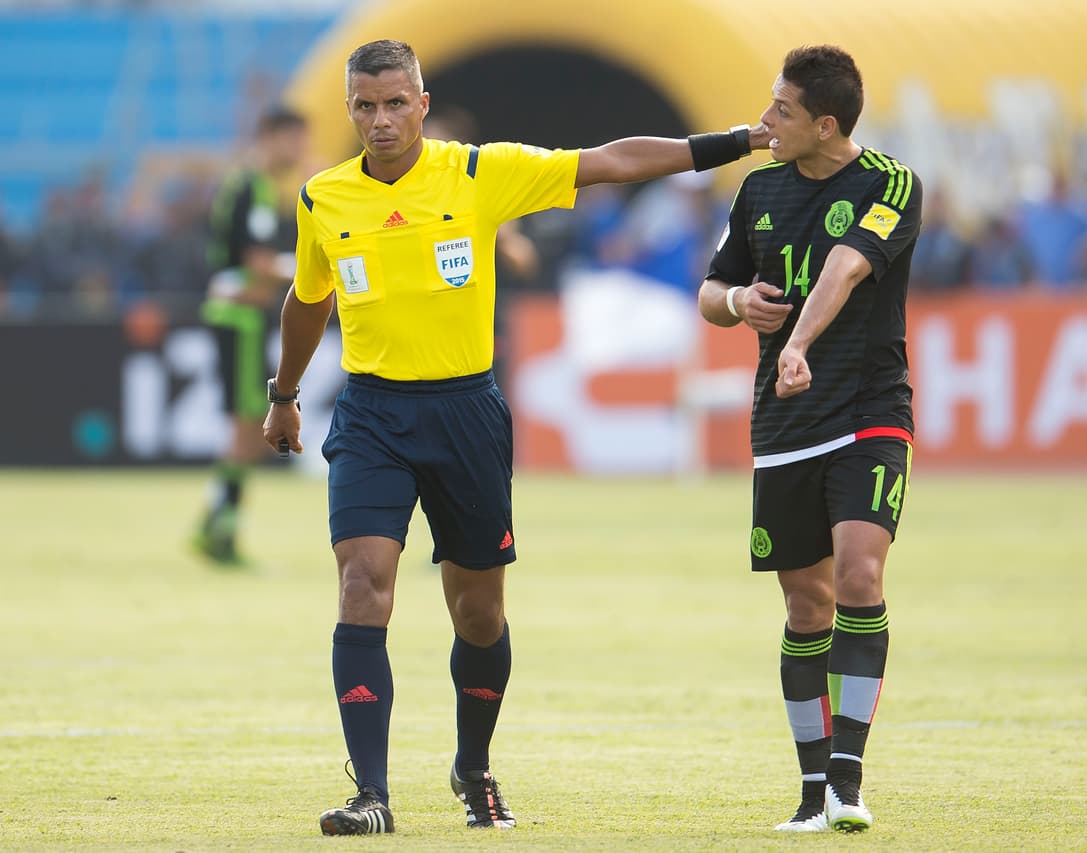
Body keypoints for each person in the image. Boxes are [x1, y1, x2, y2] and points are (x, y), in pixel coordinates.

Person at [261, 39, 767, 835]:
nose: (382, 119)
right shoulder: (324, 197)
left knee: (480, 613)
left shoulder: (476, 173)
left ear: (423, 104)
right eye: (366, 105)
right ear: (350, 109)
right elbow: (307, 297)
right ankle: (373, 794)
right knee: (364, 584)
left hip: (465, 413)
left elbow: (609, 161)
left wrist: (733, 142)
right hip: (372, 416)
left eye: (397, 103)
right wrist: (285, 395)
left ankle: (473, 766)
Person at [698, 45, 921, 834]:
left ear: (826, 125)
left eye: (782, 110)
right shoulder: (758, 189)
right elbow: (710, 288)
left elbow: (843, 271)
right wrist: (736, 304)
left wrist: (797, 343)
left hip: (867, 410)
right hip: (783, 424)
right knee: (806, 602)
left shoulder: (891, 184)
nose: (765, 121)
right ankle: (811, 787)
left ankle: (849, 782)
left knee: (860, 573)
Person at [193, 105, 310, 564]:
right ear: (269, 137)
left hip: (233, 314)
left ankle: (215, 523)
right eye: (294, 139)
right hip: (240, 318)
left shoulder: (242, 186)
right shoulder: (256, 188)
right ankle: (219, 533)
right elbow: (257, 264)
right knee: (248, 428)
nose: (300, 150)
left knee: (247, 429)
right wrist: (315, 272)